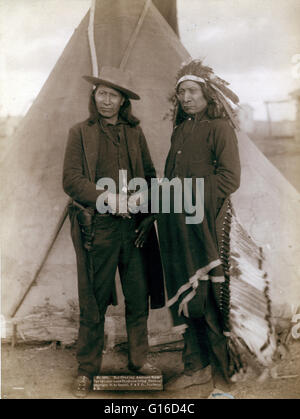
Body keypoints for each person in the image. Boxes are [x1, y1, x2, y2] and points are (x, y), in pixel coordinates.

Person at [63, 66, 165, 398]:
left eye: (114, 95)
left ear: (123, 101)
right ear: (94, 96)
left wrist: (144, 206)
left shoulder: (135, 134)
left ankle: (138, 360)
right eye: (102, 93)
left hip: (133, 230)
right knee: (93, 301)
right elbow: (72, 180)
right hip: (99, 229)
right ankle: (87, 369)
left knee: (138, 298)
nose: (107, 100)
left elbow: (150, 176)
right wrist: (106, 198)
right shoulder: (80, 132)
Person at [157, 59, 241, 390]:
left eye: (192, 91)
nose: (186, 98)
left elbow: (230, 178)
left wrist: (192, 198)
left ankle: (223, 380)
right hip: (178, 223)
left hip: (207, 222)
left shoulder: (220, 128)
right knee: (186, 295)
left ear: (206, 92)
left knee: (208, 297)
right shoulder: (180, 130)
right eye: (181, 93)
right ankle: (195, 366)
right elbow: (169, 179)